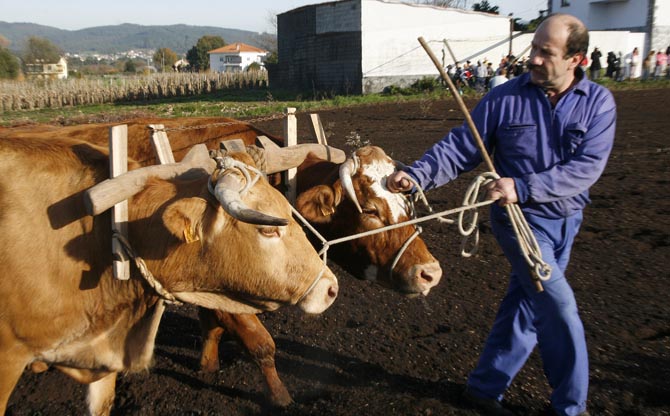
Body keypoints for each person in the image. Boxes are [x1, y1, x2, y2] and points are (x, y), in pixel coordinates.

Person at [387, 13, 616, 416]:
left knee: (527, 305)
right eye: (534, 49)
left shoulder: (598, 104)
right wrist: (417, 175)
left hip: (568, 219)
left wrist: (524, 184)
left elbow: (586, 169)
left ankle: (484, 387)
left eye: (546, 53)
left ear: (576, 60)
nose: (534, 58)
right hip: (519, 221)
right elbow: (460, 148)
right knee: (558, 308)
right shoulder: (505, 97)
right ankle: (571, 408)